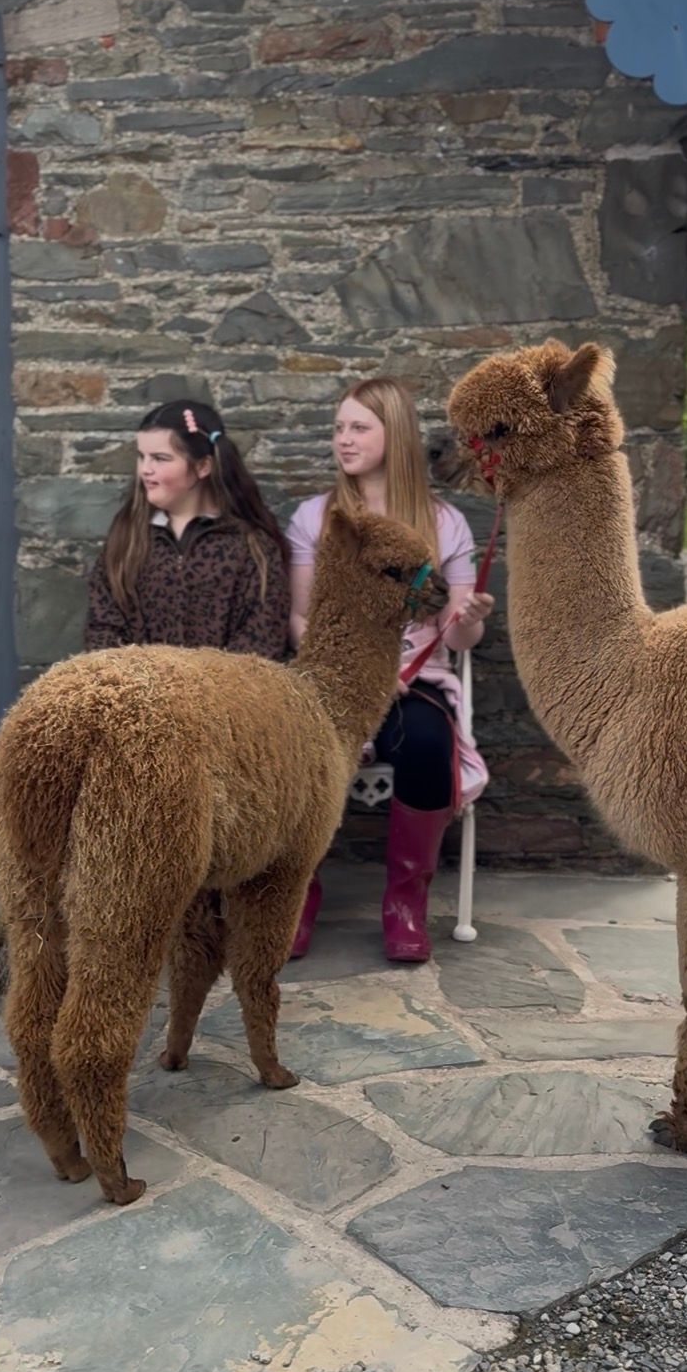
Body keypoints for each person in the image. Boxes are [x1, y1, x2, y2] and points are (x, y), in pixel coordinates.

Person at [286, 377, 492, 963]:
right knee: (302, 750)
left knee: (427, 743)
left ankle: (406, 903)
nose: (343, 440)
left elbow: (460, 636)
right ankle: (296, 897)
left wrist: (470, 615)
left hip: (417, 684)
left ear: (393, 436)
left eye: (358, 428)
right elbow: (300, 618)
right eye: (338, 428)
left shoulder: (444, 523)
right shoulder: (315, 518)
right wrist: (360, 667)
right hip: (335, 679)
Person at [84, 398, 290, 660]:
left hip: (223, 697)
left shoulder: (251, 547)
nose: (145, 469)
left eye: (160, 458)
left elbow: (262, 639)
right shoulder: (128, 538)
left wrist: (201, 692)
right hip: (140, 696)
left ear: (203, 466)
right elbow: (103, 628)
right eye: (141, 457)